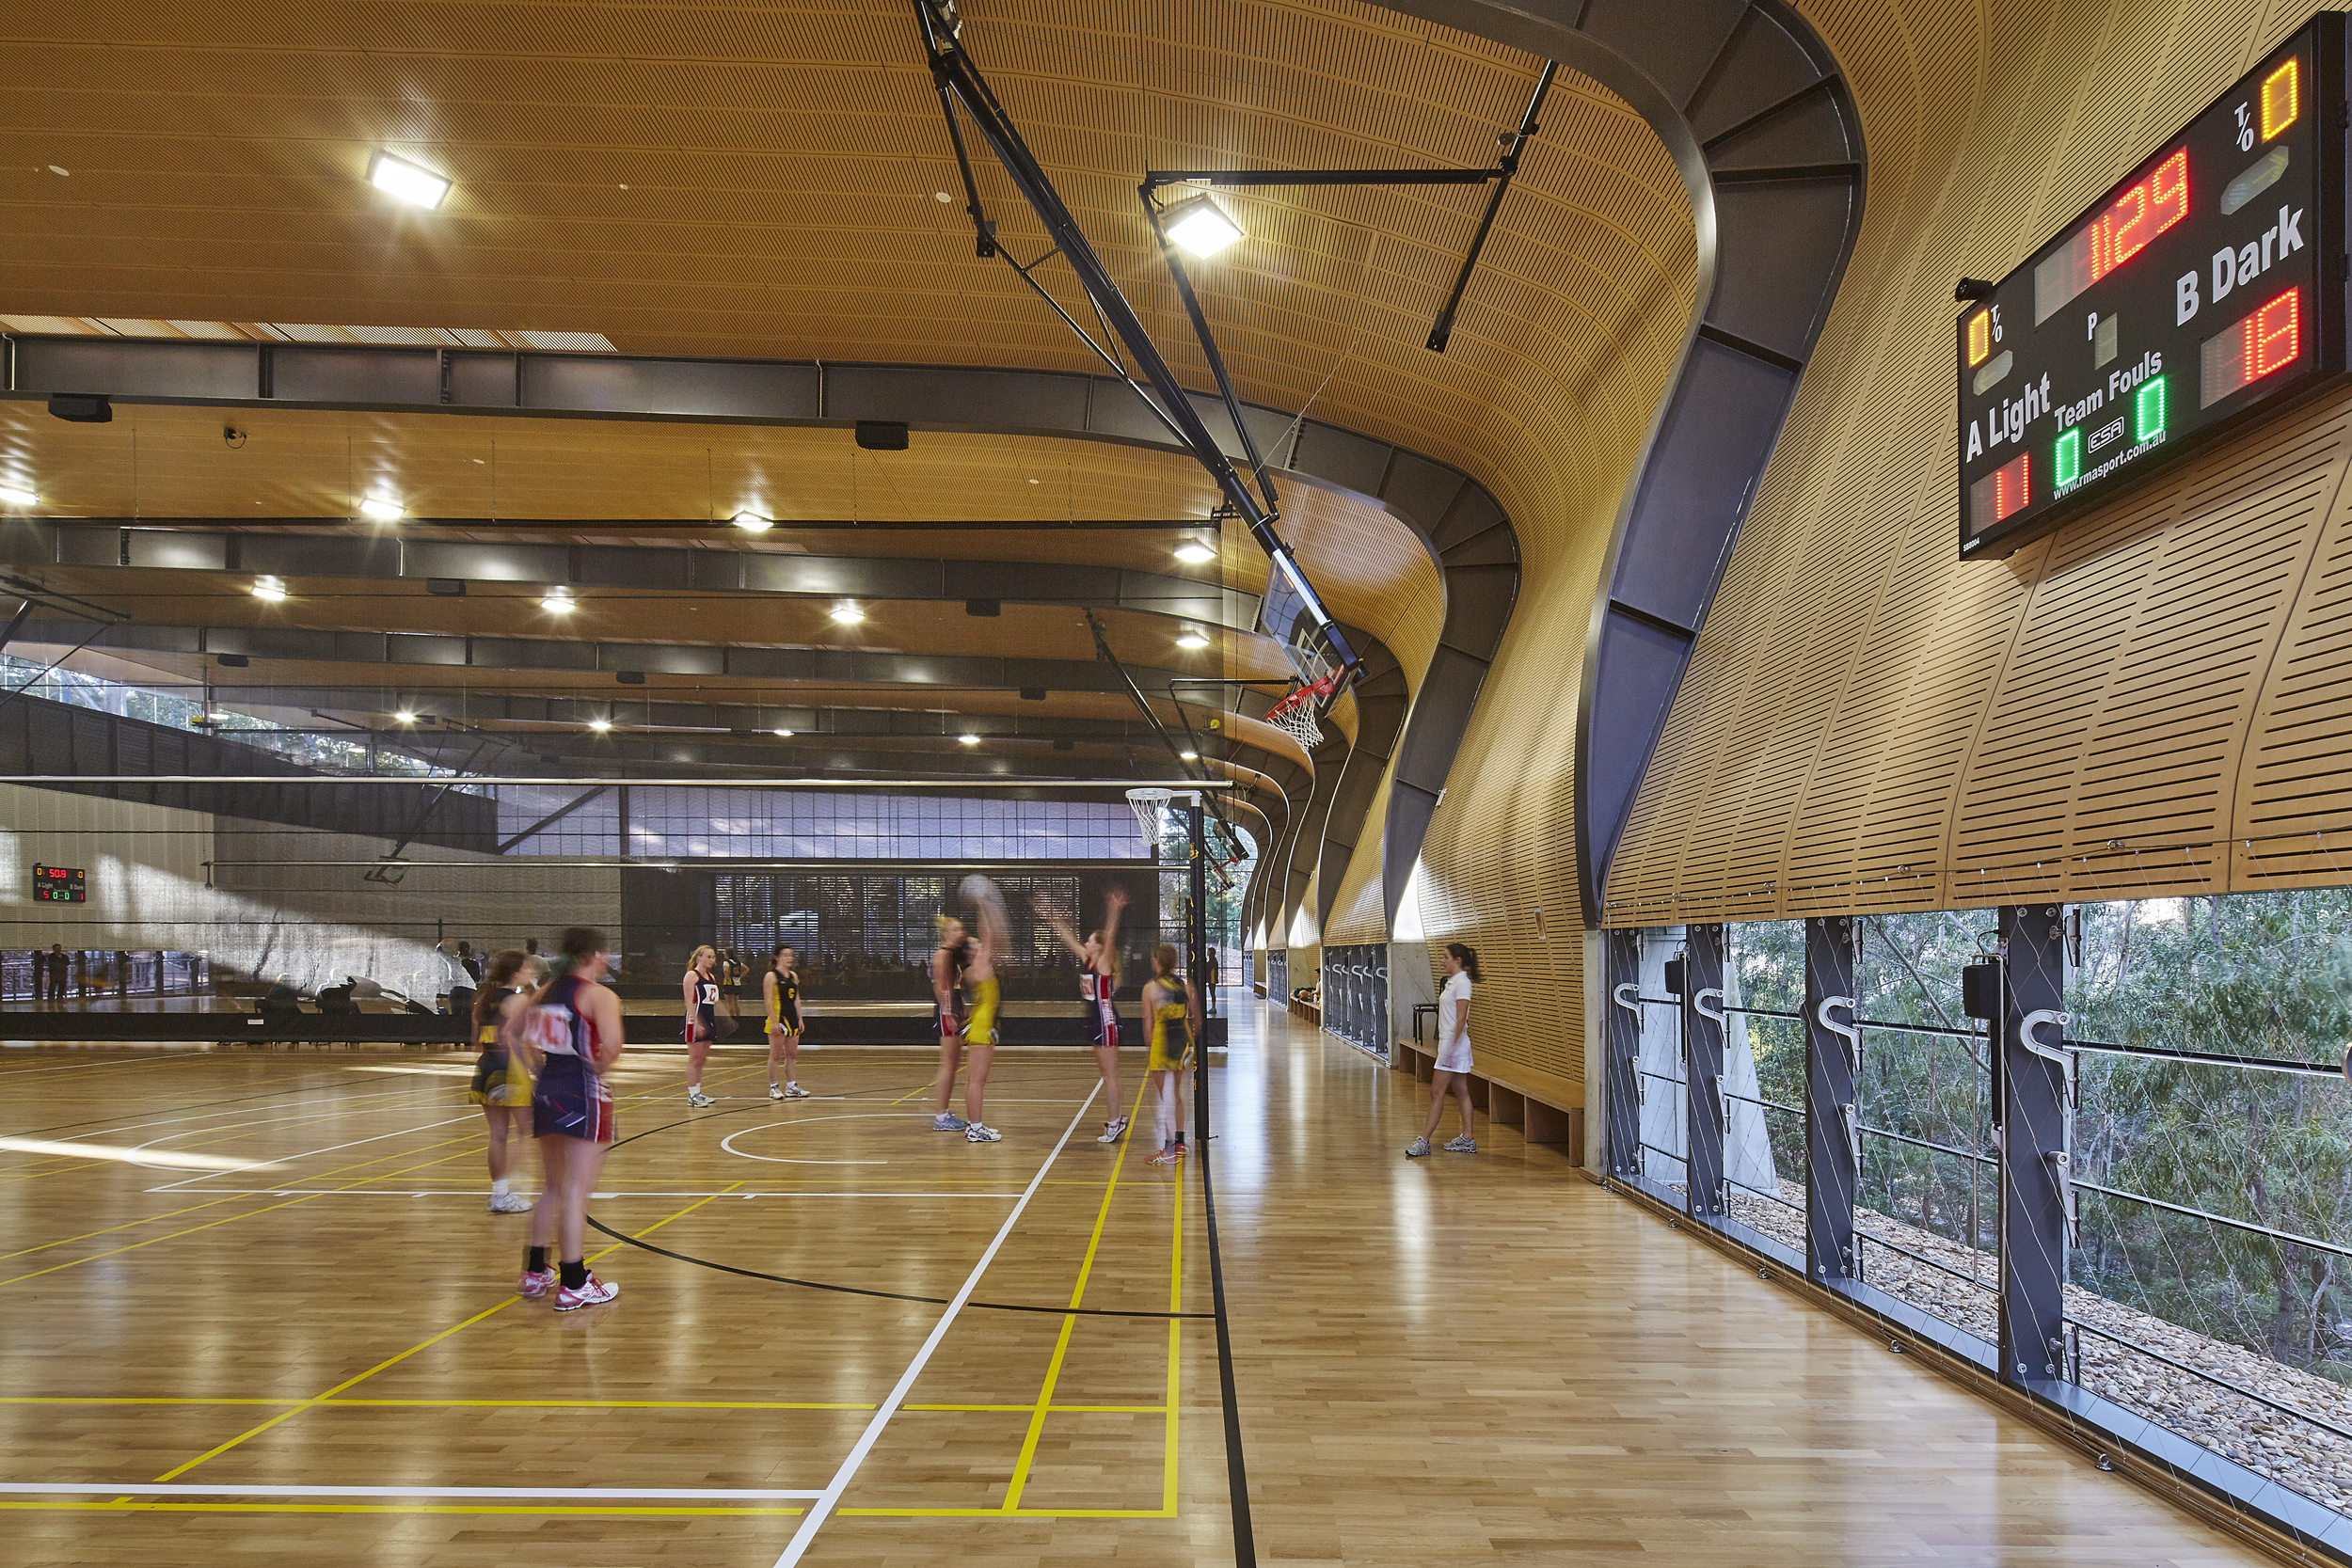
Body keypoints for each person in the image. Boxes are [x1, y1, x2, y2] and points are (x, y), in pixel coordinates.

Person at [512, 926, 624, 1311]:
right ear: (593, 954)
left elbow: (512, 1033)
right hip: (580, 1091)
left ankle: (534, 1270)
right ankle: (574, 1280)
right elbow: (613, 1045)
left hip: (546, 1088)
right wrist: (596, 1069)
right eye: (605, 952)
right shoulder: (597, 994)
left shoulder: (546, 991)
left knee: (553, 1187)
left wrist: (536, 1067)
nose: (607, 959)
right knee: (576, 1191)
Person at [1038, 885, 1131, 1144]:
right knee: (1108, 1073)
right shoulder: (1087, 959)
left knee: (1109, 1074)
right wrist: (1052, 916)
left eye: (1090, 940)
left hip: (1106, 1021)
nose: (1086, 942)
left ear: (1099, 947)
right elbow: (1068, 937)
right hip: (1094, 1021)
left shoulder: (1103, 962)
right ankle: (1118, 1118)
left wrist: (1114, 910)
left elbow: (1110, 936)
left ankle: (1113, 1123)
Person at [930, 878, 1009, 1143]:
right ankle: (975, 1127)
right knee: (976, 1082)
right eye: (973, 945)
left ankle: (974, 1125)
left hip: (983, 1026)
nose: (979, 945)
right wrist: (981, 904)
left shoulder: (974, 968)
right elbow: (988, 935)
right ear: (972, 952)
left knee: (976, 1081)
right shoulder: (977, 967)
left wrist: (985, 906)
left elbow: (991, 937)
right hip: (980, 1027)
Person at [466, 950, 535, 1213]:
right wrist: (534, 1067)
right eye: (527, 968)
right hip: (510, 1069)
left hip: (486, 1067)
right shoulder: (518, 1000)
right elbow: (521, 1040)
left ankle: (500, 1194)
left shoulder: (483, 999)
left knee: (498, 1135)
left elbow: (475, 1041)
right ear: (515, 973)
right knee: (524, 1132)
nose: (531, 971)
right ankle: (517, 1187)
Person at [1407, 942, 1480, 1157]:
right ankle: (1467, 1139)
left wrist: (1449, 1048)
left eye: (1445, 957)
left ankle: (1424, 1141)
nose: (1442, 960)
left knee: (1436, 1092)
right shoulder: (1453, 982)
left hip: (1453, 1045)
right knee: (1461, 1091)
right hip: (1452, 1044)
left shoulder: (1463, 983)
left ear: (1457, 960)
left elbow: (1461, 1018)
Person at [1142, 943, 1200, 1165]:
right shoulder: (1186, 985)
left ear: (1158, 961)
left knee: (1164, 1097)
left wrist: (1149, 1049)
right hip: (1182, 1040)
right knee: (1175, 1095)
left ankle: (1169, 1149)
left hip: (1162, 1041)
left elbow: (1148, 1024)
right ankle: (1180, 1143)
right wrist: (1190, 1040)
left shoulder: (1150, 988)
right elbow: (1197, 1018)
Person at [763, 943, 811, 1101]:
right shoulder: (771, 976)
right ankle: (773, 1087)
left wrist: (800, 1018)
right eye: (785, 955)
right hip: (778, 1019)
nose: (789, 958)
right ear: (777, 957)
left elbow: (796, 998)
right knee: (775, 1054)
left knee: (791, 1054)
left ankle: (791, 1086)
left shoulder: (793, 976)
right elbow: (768, 1001)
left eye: (791, 955)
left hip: (791, 1018)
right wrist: (775, 1022)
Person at [682, 943, 720, 1106]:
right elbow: (688, 1001)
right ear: (699, 958)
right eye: (708, 957)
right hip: (696, 1018)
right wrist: (696, 1022)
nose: (711, 960)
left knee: (702, 1059)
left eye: (713, 957)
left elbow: (714, 1001)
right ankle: (691, 1095)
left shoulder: (712, 977)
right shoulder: (692, 975)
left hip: (709, 1017)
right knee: (694, 1058)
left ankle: (698, 1092)